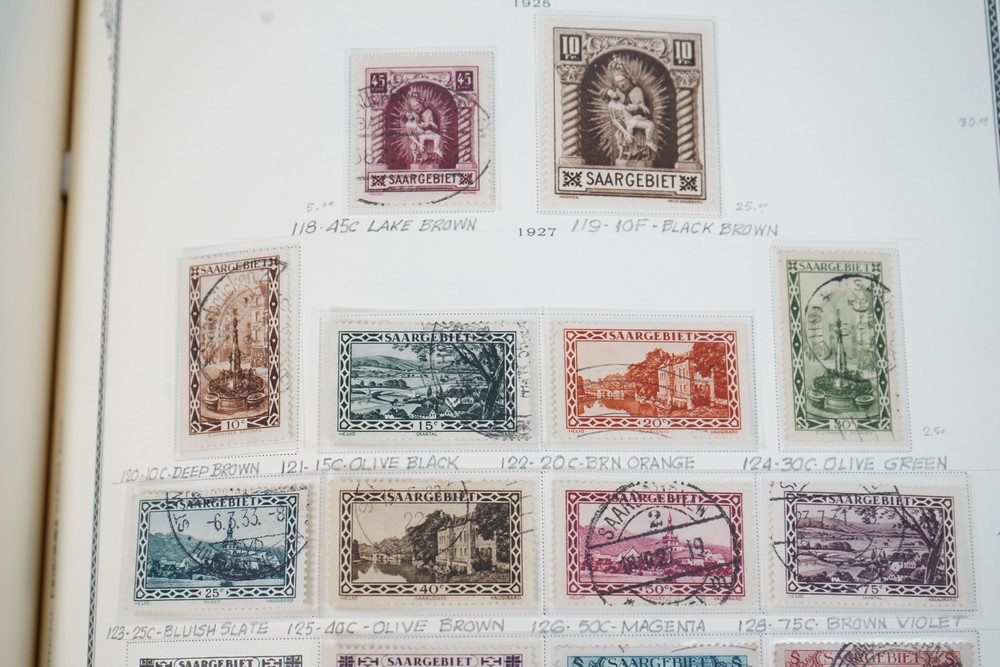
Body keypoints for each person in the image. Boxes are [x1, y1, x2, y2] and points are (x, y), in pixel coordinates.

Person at [605, 66, 656, 155]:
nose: (621, 84)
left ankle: (644, 145)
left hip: (636, 120)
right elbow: (614, 118)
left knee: (648, 126)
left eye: (622, 80)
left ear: (628, 78)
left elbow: (647, 110)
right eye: (618, 82)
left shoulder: (637, 90)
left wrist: (638, 107)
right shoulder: (616, 93)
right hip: (625, 125)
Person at [401, 88, 443, 163]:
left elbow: (428, 125)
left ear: (421, 103)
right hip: (419, 138)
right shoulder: (411, 120)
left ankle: (432, 153)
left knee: (436, 138)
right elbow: (411, 134)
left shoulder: (428, 112)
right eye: (413, 106)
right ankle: (422, 158)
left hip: (427, 134)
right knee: (420, 149)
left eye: (417, 105)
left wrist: (430, 123)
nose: (416, 107)